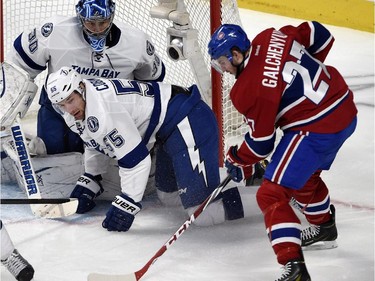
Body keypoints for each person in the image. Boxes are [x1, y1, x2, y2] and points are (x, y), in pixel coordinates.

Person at [208, 22, 357, 281]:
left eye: (223, 61)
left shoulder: (245, 90)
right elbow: (318, 33)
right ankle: (324, 226)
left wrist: (237, 158)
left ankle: (294, 268)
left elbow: (262, 143)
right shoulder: (270, 37)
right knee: (301, 175)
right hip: (343, 107)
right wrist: (306, 82)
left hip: (316, 128)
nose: (222, 68)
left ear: (236, 53)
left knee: (271, 193)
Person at [45, 66, 262, 231]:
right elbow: (95, 138)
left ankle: (277, 196)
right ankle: (254, 174)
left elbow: (137, 160)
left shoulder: (104, 110)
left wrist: (128, 202)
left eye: (71, 100)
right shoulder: (80, 105)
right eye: (62, 104)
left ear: (80, 87)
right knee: (168, 197)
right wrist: (92, 176)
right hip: (167, 133)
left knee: (204, 213)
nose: (69, 109)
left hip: (188, 119)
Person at [5, 0, 165, 155]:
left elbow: (152, 86)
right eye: (90, 23)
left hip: (110, 112)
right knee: (52, 153)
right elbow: (18, 69)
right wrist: (6, 112)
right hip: (60, 107)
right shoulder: (54, 32)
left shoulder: (137, 44)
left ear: (112, 15)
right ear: (80, 16)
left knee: (106, 167)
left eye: (102, 22)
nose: (97, 30)